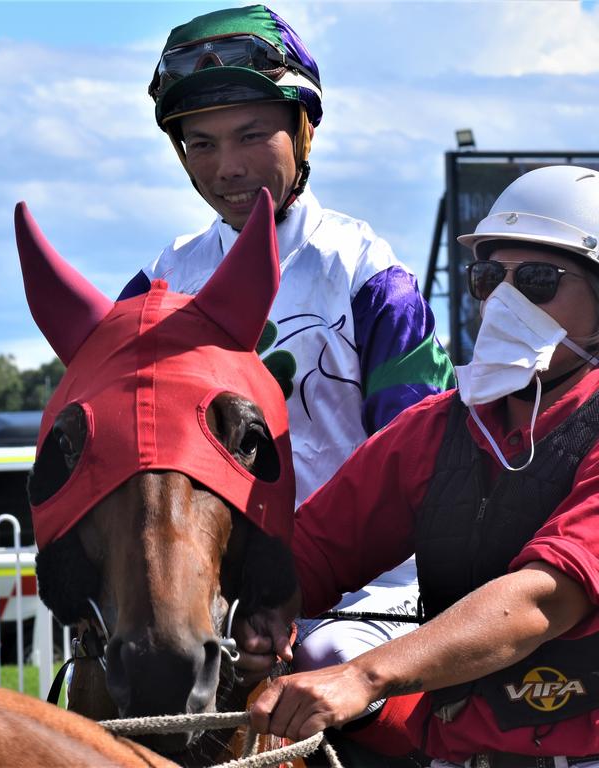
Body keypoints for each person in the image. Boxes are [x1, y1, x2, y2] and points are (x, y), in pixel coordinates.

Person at [121, 1, 454, 706]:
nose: (227, 167)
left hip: (360, 593)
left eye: (250, 136)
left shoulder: (368, 274)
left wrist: (300, 587)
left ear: (304, 131)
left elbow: (421, 462)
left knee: (325, 654)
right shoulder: (162, 278)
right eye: (200, 144)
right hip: (204, 599)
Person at [235, 165, 599, 765]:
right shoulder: (437, 428)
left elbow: (545, 598)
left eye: (537, 279)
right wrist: (264, 611)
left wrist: (364, 677)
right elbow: (318, 550)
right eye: (488, 277)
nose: (503, 301)